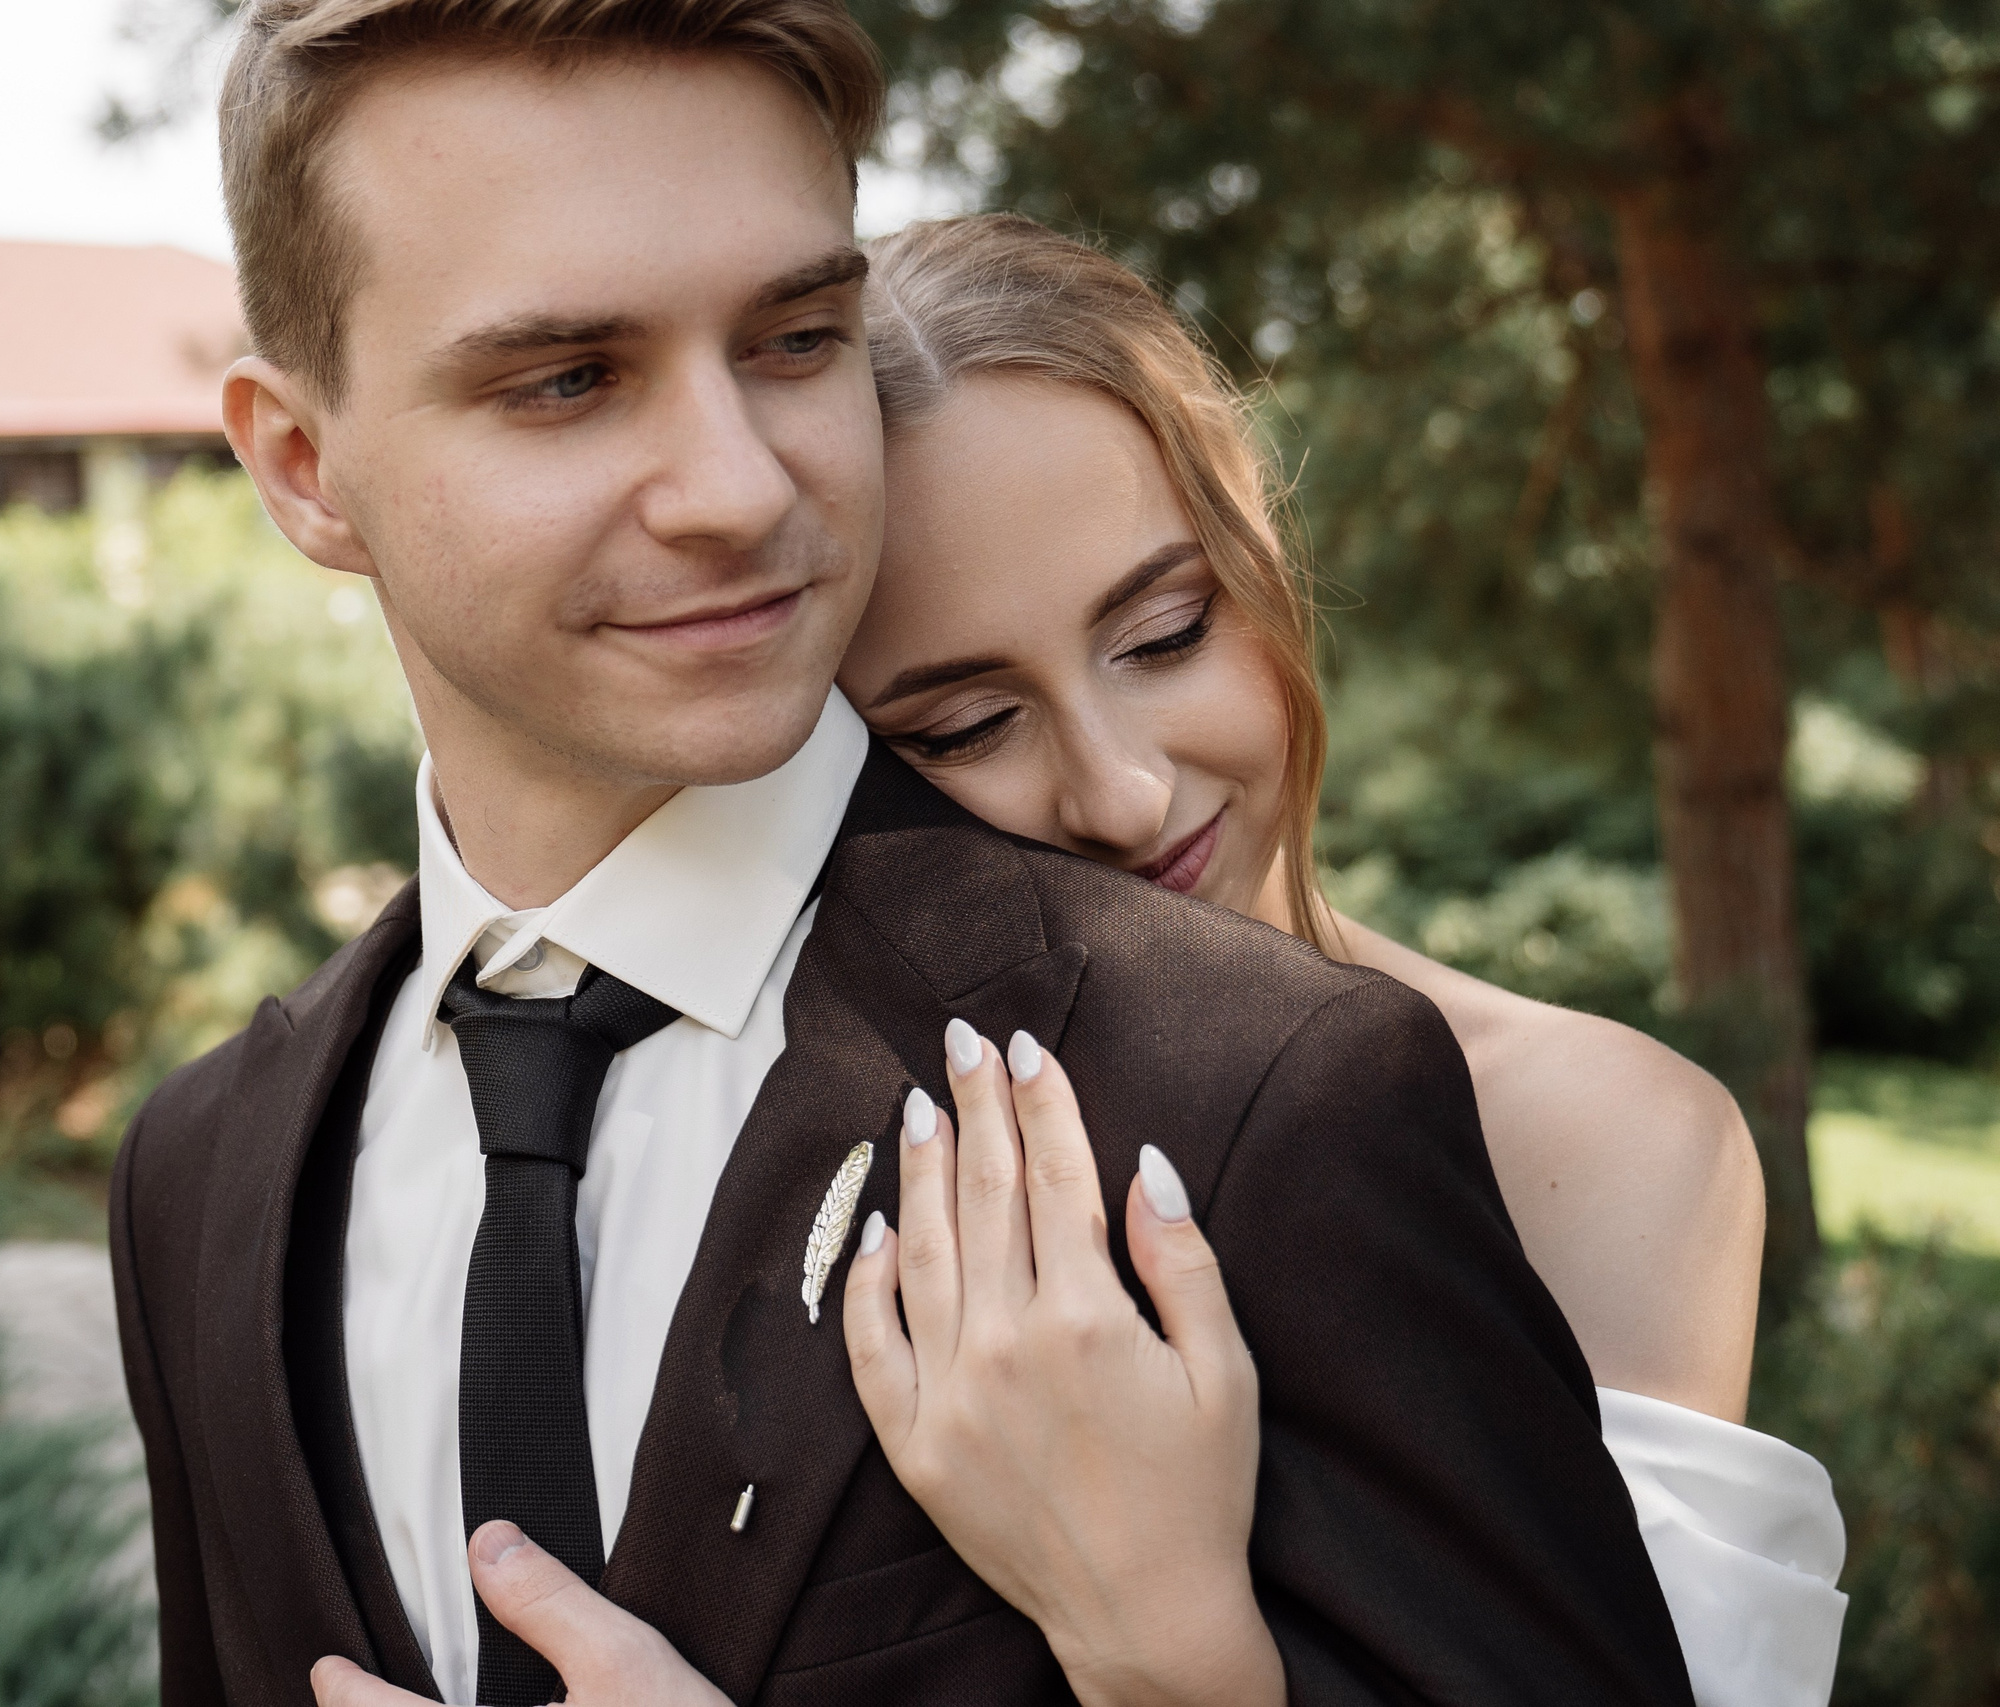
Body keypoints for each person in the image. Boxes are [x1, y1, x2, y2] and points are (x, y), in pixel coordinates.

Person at [110, 4, 1697, 1705]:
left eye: (797, 340)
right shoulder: (203, 1175)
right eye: (568, 380)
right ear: (301, 465)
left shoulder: (1261, 1090)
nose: (733, 490)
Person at [833, 212, 1847, 1706]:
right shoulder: (831, 1161)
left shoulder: (1597, 1148)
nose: (1122, 794)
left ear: (1262, 564)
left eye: (1167, 633)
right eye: (967, 727)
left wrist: (1169, 1656)